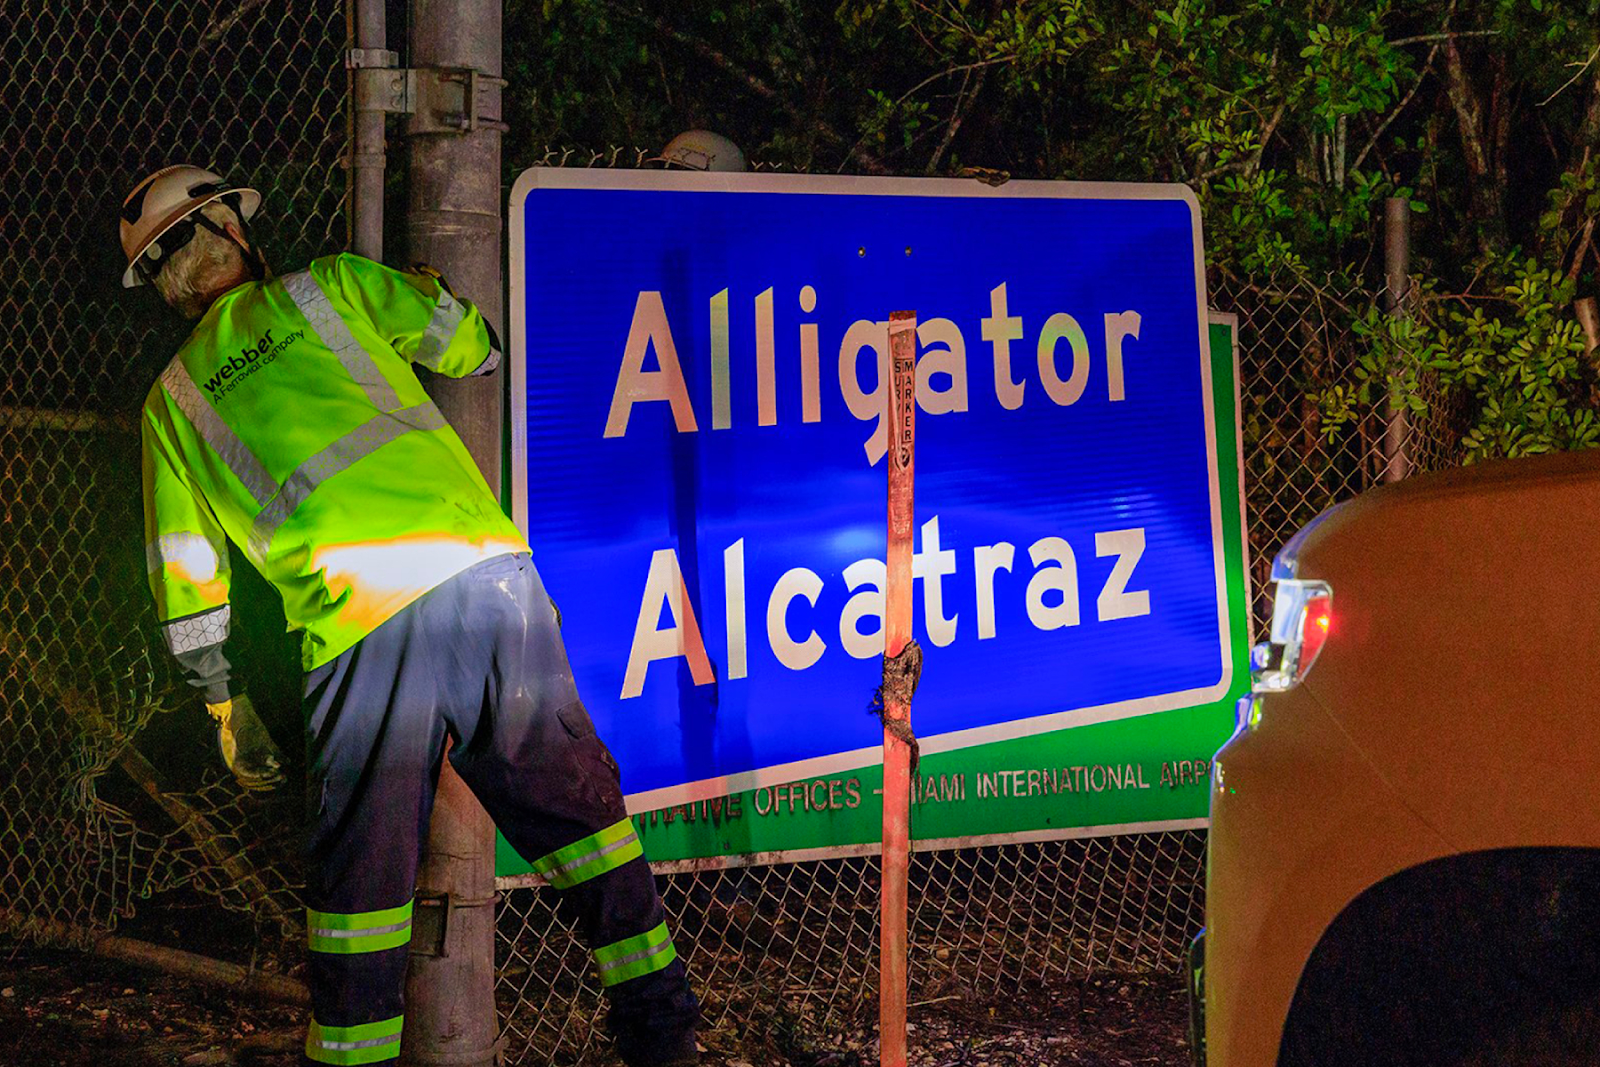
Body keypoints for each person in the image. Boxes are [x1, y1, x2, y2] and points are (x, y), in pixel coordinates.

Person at [121, 164, 699, 1066]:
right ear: (234, 232)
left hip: (355, 629)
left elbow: (187, 576)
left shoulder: (173, 404)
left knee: (361, 885)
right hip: (482, 579)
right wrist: (442, 301)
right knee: (582, 817)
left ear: (163, 284)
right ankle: (661, 1029)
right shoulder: (332, 286)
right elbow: (470, 345)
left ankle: (355, 1055)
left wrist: (226, 709)